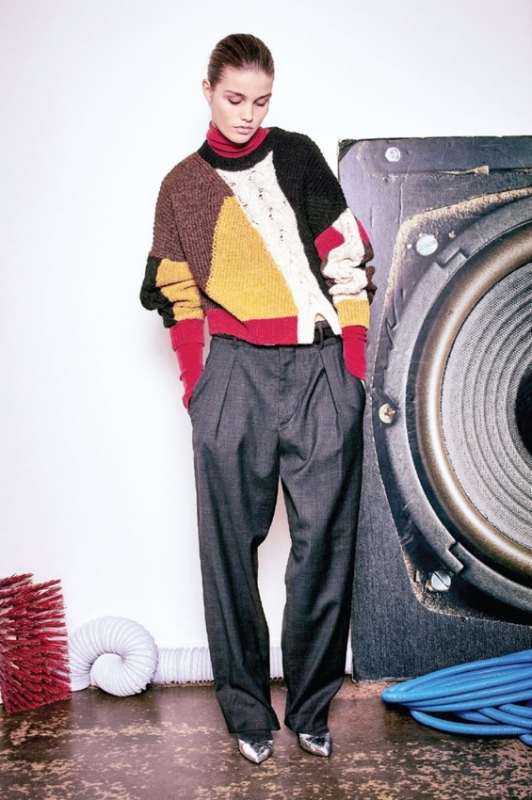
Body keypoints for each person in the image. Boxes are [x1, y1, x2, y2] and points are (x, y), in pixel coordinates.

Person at [140, 33, 376, 764]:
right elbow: (178, 294)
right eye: (235, 99)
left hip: (321, 368)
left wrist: (354, 366)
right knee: (227, 551)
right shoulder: (182, 187)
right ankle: (246, 713)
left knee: (324, 547)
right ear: (207, 91)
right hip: (234, 373)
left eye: (261, 101)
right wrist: (196, 385)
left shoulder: (298, 155)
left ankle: (310, 710)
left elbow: (346, 257)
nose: (248, 115)